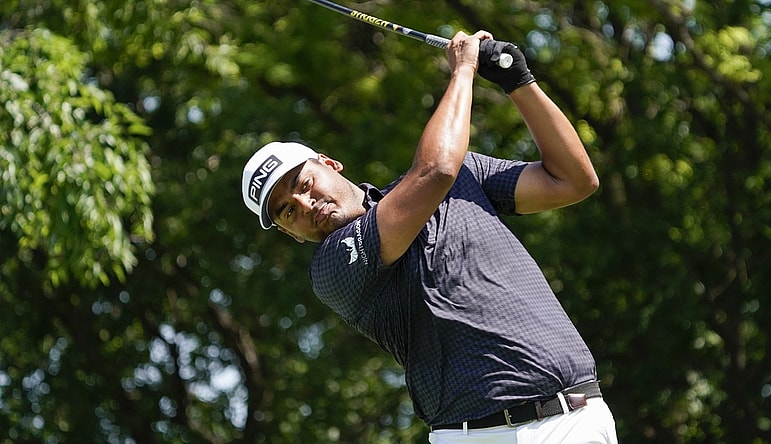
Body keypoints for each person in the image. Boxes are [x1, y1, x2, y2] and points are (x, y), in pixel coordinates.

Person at [241, 30, 617, 443]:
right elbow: (436, 169)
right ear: (289, 233)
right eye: (288, 210)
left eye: (304, 182)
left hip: (577, 418)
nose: (306, 204)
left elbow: (574, 181)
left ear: (330, 163)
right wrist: (465, 71)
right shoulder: (333, 268)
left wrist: (518, 82)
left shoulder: (466, 173)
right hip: (475, 436)